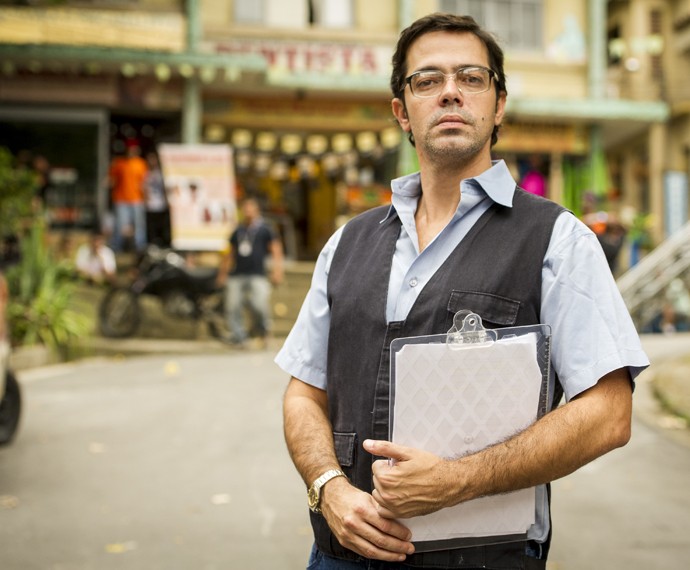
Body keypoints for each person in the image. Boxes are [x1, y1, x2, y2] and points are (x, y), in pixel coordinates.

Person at [276, 13, 649, 570]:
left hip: (485, 559)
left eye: (471, 78)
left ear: (498, 104)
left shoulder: (557, 240)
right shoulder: (346, 244)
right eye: (426, 80)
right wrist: (328, 486)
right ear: (402, 111)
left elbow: (608, 412)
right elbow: (304, 392)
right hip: (340, 555)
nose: (450, 92)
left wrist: (459, 480)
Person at [216, 198, 284, 347]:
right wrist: (223, 274)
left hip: (257, 274)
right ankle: (239, 336)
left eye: (250, 208)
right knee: (233, 305)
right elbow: (229, 254)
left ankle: (263, 330)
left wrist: (277, 270)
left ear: (256, 210)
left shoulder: (265, 229)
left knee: (259, 304)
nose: (247, 212)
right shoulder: (238, 230)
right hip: (237, 274)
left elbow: (276, 249)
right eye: (245, 209)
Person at [109, 140, 148, 253]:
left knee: (139, 226)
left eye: (134, 150)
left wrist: (145, 198)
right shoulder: (119, 163)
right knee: (119, 225)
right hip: (121, 199)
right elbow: (112, 179)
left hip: (137, 199)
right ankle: (116, 248)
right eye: (130, 149)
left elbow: (144, 183)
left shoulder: (141, 164)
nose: (132, 151)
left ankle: (140, 248)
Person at [143, 152, 171, 247]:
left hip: (161, 204)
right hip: (150, 205)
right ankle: (152, 243)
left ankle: (163, 243)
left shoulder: (162, 173)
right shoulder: (145, 173)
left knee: (162, 225)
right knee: (151, 226)